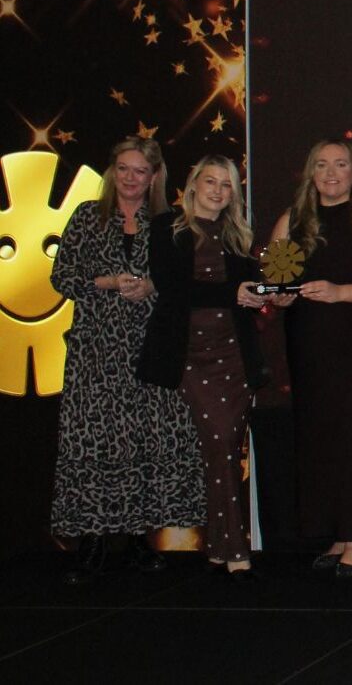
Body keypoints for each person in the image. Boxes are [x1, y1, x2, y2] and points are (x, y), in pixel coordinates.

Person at [49, 137, 203, 585]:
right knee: (94, 442)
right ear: (111, 171)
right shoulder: (87, 217)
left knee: (143, 441)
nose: (130, 178)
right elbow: (61, 277)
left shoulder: (169, 223)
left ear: (154, 177)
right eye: (123, 168)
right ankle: (92, 542)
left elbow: (185, 280)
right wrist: (108, 281)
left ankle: (139, 540)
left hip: (151, 347)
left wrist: (152, 285)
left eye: (140, 171)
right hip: (95, 353)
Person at [137, 155, 268, 579]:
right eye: (210, 182)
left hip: (234, 352)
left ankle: (219, 547)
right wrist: (234, 294)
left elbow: (249, 287)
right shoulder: (167, 228)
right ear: (193, 184)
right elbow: (173, 288)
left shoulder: (238, 233)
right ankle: (233, 548)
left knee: (226, 445)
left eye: (226, 185)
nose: (217, 191)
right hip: (188, 352)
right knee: (219, 443)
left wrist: (266, 293)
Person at [269, 139, 352, 578]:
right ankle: (337, 533)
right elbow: (276, 286)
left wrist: (340, 293)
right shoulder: (291, 220)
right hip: (309, 347)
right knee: (319, 439)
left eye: (340, 164)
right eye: (321, 165)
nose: (331, 172)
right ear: (311, 173)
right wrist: (280, 297)